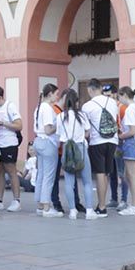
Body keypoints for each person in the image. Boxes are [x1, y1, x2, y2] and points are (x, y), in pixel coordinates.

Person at [82, 78, 119, 218]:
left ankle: (102, 207)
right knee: (106, 173)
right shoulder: (112, 102)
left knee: (99, 173)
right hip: (113, 140)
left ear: (91, 89)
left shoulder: (87, 106)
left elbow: (86, 126)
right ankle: (102, 203)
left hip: (97, 141)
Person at [56, 88, 94, 220]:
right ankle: (89, 211)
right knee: (87, 181)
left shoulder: (60, 116)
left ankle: (72, 211)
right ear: (76, 101)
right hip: (81, 148)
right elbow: (88, 132)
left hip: (67, 148)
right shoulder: (82, 115)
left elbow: (58, 136)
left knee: (68, 182)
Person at [0, 85, 23, 213]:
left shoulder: (10, 106)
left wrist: (3, 123)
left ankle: (16, 200)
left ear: (0, 97)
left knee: (11, 170)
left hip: (9, 143)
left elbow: (19, 125)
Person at [32, 83, 62, 218]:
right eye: (56, 94)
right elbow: (49, 130)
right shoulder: (48, 109)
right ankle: (46, 207)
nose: (58, 96)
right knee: (49, 176)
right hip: (48, 142)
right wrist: (59, 124)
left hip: (38, 141)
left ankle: (39, 204)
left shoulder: (38, 107)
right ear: (50, 94)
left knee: (41, 174)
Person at [116, 86, 135, 215]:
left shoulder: (130, 110)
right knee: (129, 174)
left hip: (131, 142)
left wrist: (119, 136)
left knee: (132, 175)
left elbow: (132, 131)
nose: (119, 100)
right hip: (133, 142)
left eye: (119, 97)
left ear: (124, 95)